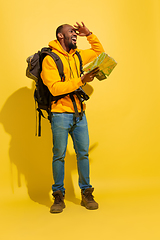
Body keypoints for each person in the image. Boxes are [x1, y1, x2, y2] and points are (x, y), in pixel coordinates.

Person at [41, 22, 104, 213]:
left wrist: (89, 34)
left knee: (83, 154)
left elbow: (99, 52)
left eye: (76, 33)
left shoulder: (77, 55)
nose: (75, 34)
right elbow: (55, 88)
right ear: (61, 36)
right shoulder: (50, 59)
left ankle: (86, 193)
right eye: (71, 32)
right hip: (59, 113)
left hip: (79, 114)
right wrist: (81, 81)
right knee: (59, 156)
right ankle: (58, 196)